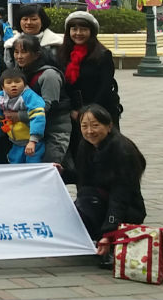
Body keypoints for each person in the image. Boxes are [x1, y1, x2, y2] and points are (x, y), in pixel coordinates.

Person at [62, 104, 146, 264]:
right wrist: (61, 173)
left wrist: (109, 233)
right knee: (75, 208)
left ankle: (109, 242)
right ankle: (95, 238)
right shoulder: (86, 146)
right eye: (84, 126)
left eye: (95, 125)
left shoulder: (122, 151)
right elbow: (83, 176)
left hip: (126, 210)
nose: (89, 131)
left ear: (109, 126)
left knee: (88, 199)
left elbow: (120, 196)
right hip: (100, 202)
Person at [58, 11, 122, 156]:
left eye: (83, 29)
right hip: (72, 113)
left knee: (103, 151)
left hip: (99, 110)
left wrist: (87, 112)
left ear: (91, 32)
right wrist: (71, 110)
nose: (78, 33)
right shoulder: (63, 54)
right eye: (74, 29)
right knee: (77, 152)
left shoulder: (103, 55)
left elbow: (105, 87)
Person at [12, 33, 73, 163]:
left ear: (37, 54)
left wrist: (19, 116)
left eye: (24, 52)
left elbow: (48, 107)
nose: (19, 56)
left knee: (49, 167)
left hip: (55, 130)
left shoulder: (49, 75)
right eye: (16, 52)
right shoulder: (18, 72)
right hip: (32, 130)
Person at [0, 69, 47, 164]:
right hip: (15, 144)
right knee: (16, 168)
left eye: (17, 81)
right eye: (9, 83)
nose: (13, 85)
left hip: (33, 144)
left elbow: (38, 117)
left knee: (33, 168)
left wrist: (33, 141)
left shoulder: (30, 96)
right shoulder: (0, 98)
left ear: (24, 84)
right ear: (2, 87)